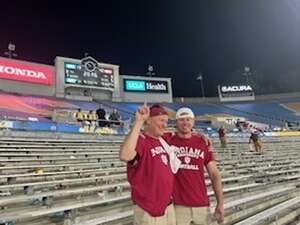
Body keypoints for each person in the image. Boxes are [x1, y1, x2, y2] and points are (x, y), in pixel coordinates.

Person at [119, 103, 176, 225]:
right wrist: (139, 121)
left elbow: (185, 134)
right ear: (149, 120)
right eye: (161, 120)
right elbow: (125, 155)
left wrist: (200, 135)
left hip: (168, 207)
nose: (165, 125)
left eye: (166, 121)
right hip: (148, 210)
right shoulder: (141, 140)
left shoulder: (163, 140)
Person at [170, 107, 224, 225]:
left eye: (188, 119)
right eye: (181, 120)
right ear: (176, 122)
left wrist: (220, 203)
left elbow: (214, 174)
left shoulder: (203, 143)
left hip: (201, 204)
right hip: (178, 205)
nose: (185, 123)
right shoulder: (168, 141)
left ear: (193, 122)